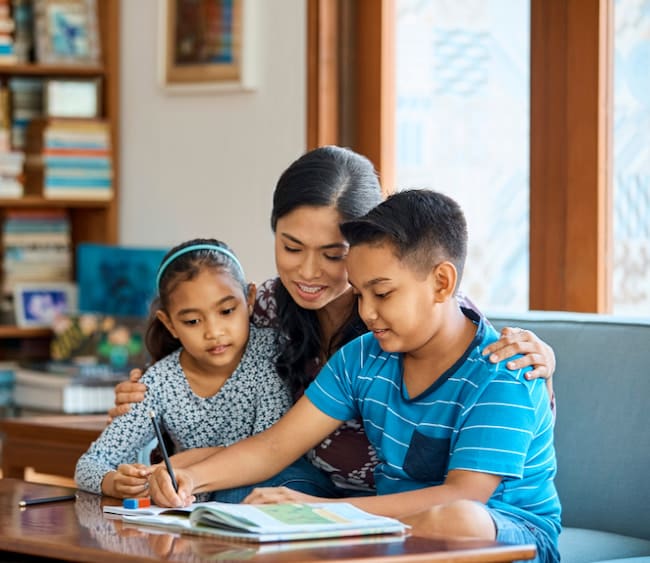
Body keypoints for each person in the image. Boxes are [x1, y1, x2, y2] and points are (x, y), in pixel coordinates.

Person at [111, 145, 557, 499]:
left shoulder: (421, 316)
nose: (308, 272)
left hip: (402, 503)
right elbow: (207, 386)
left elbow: (498, 386)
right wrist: (148, 397)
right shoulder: (258, 307)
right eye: (291, 247)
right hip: (303, 483)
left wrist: (543, 362)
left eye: (333, 254)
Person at [148, 189, 561, 563]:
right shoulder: (363, 357)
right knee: (255, 502)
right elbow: (274, 446)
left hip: (505, 537)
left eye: (382, 294)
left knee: (458, 519)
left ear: (441, 282)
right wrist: (189, 476)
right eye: (360, 294)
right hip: (388, 532)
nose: (366, 313)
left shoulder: (505, 370)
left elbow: (464, 496)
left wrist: (316, 513)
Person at [74, 239, 295, 498]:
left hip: (263, 496)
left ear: (249, 299)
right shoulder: (159, 381)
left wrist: (174, 466)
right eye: (192, 321)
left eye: (226, 311)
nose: (213, 332)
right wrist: (114, 482)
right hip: (188, 513)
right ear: (169, 324)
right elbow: (89, 465)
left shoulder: (270, 353)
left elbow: (269, 449)